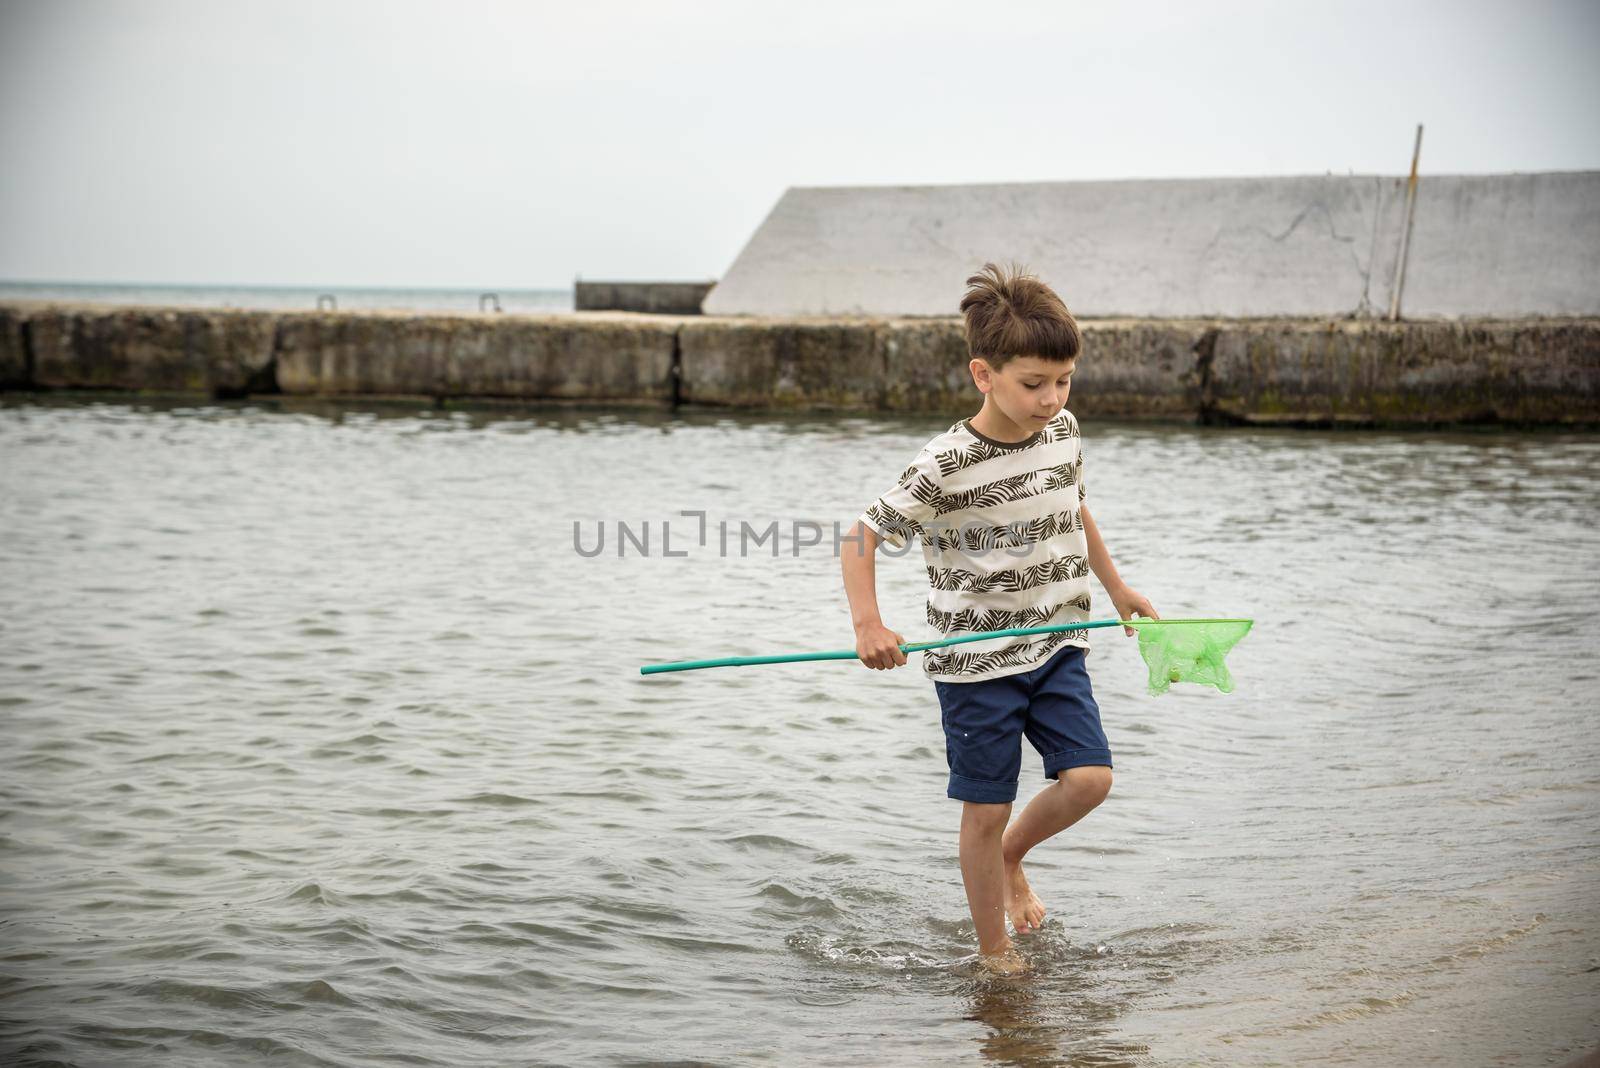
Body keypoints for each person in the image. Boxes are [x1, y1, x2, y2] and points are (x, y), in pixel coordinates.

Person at [839, 262, 1158, 976]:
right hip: (976, 665)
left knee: (1090, 779)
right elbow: (861, 535)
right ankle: (994, 950)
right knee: (984, 810)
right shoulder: (946, 462)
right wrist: (869, 624)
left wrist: (1117, 589)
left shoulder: (1065, 431)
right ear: (984, 374)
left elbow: (1074, 510)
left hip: (1057, 642)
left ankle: (1014, 855)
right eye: (1033, 383)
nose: (1052, 399)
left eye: (1063, 380)